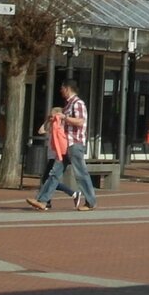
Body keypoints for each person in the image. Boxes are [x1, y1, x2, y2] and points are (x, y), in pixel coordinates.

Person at [29, 77, 98, 212]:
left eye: (62, 88)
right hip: (65, 145)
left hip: (75, 144)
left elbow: (80, 121)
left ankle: (91, 201)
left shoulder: (78, 103)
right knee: (54, 173)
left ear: (67, 88)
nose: (61, 91)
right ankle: (42, 201)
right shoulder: (68, 105)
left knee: (81, 173)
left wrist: (64, 117)